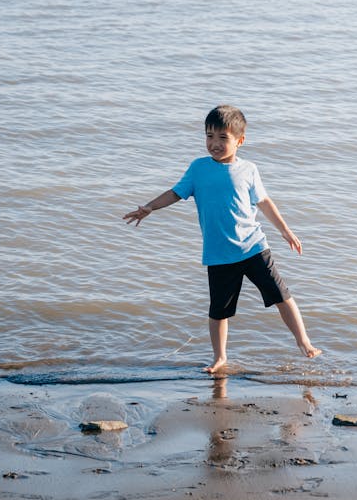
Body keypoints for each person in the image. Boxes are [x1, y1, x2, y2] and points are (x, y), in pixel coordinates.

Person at [123, 104, 321, 375]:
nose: (214, 144)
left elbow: (264, 203)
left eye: (222, 138)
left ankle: (304, 341)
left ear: (240, 141)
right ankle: (220, 358)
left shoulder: (249, 169)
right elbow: (175, 193)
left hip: (253, 247)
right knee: (219, 311)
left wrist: (286, 231)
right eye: (209, 136)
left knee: (281, 296)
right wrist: (149, 207)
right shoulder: (198, 168)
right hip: (218, 254)